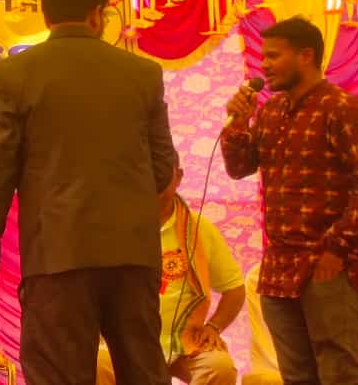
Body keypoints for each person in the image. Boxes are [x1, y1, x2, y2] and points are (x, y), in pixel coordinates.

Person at [0, 0, 177, 385]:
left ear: (46, 15)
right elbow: (163, 167)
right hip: (134, 256)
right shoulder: (142, 73)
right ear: (97, 13)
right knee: (143, 373)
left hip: (56, 256)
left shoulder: (13, 75)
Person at [222, 16, 358, 384]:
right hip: (279, 268)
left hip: (327, 264)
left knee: (337, 371)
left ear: (306, 56)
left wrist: (338, 248)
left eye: (273, 56)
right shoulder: (271, 112)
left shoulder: (342, 108)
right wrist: (238, 123)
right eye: (263, 57)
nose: (264, 65)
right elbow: (239, 168)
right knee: (295, 375)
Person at [95, 162, 245, 385]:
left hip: (187, 342)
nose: (154, 180)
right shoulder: (115, 226)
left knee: (219, 368)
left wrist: (214, 327)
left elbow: (235, 289)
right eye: (147, 172)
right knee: (98, 363)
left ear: (179, 176)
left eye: (162, 172)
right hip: (125, 341)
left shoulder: (200, 228)